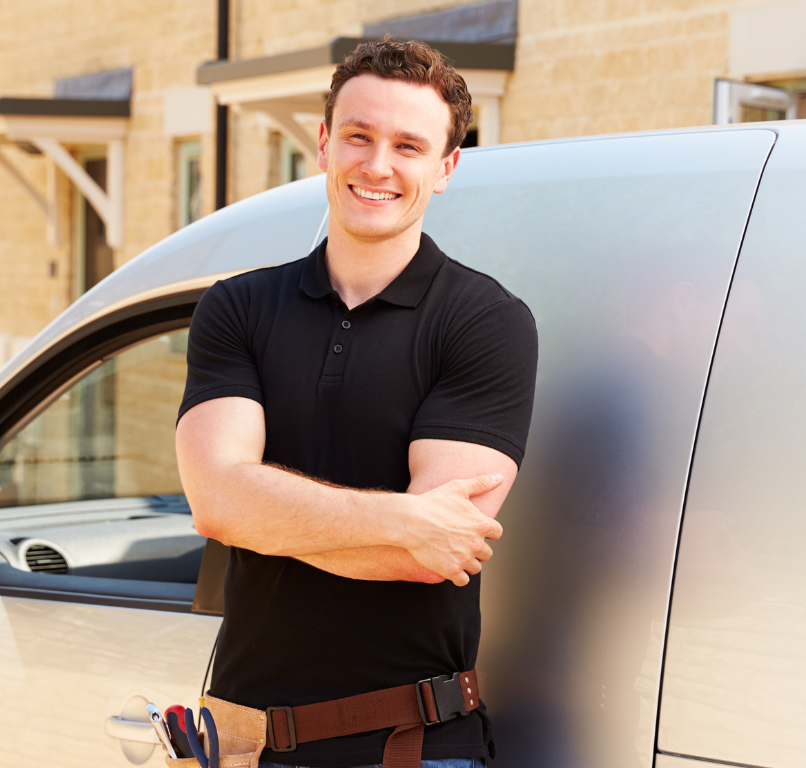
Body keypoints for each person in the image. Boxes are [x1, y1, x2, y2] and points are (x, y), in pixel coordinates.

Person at [175, 38, 538, 768]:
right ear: (323, 144)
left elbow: (435, 555)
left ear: (446, 168)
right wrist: (405, 518)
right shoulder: (238, 308)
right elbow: (215, 502)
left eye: (409, 146)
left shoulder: (485, 321)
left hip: (410, 744)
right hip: (245, 744)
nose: (377, 166)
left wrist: (264, 510)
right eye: (359, 136)